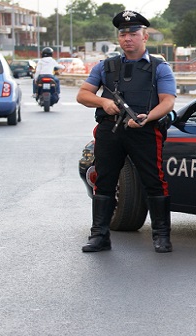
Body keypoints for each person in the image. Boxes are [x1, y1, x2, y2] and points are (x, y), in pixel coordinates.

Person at [76, 10, 177, 253]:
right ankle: (99, 236)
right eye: (122, 34)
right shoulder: (106, 66)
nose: (127, 38)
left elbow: (167, 102)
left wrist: (147, 117)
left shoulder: (159, 68)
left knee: (154, 181)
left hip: (144, 130)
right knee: (104, 181)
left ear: (145, 37)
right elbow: (83, 94)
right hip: (110, 129)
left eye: (133, 33)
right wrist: (103, 103)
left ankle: (162, 236)